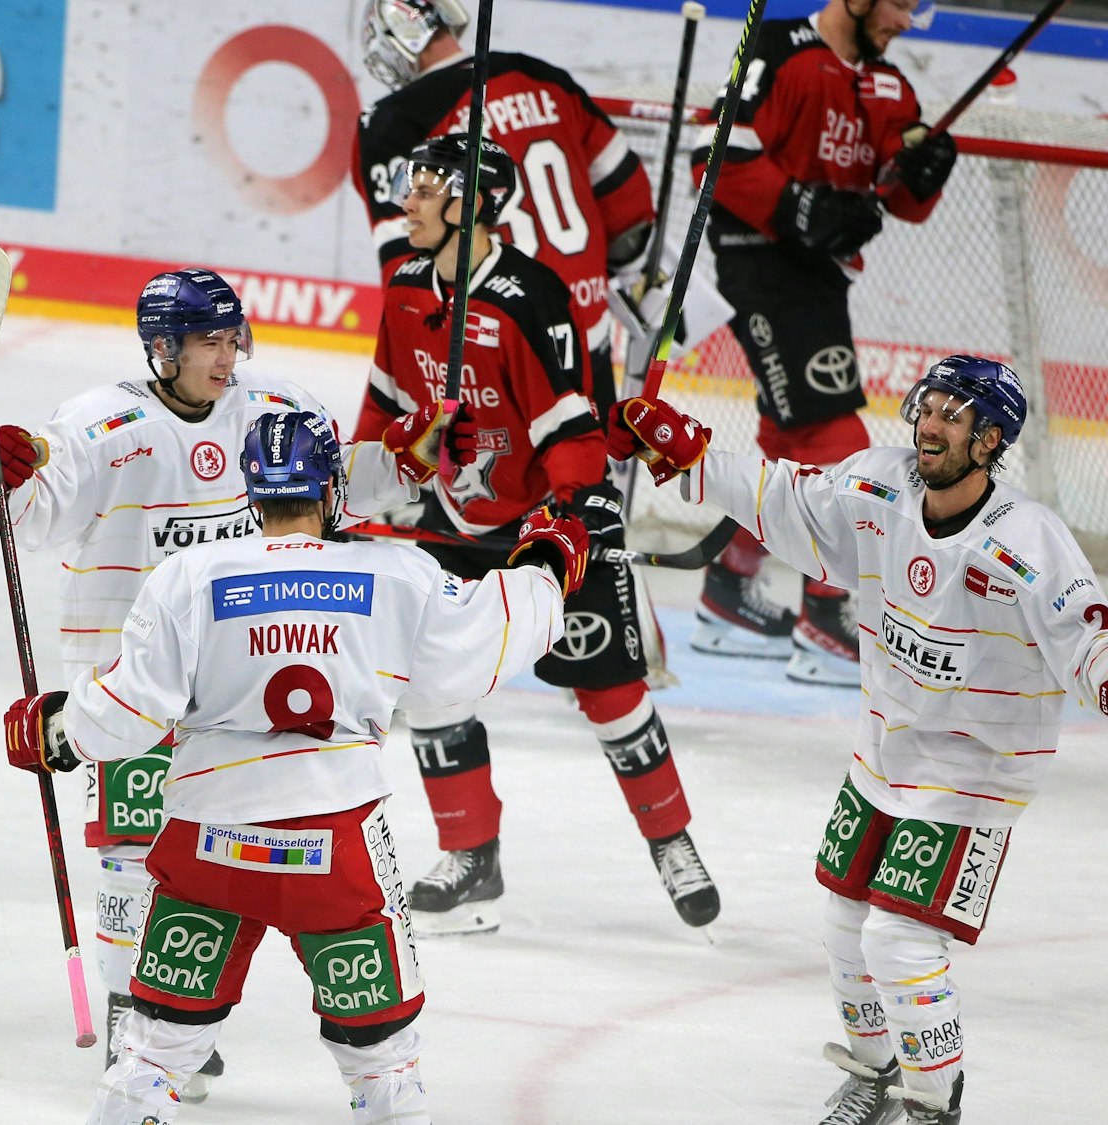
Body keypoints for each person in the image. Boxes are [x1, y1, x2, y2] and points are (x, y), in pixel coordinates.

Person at [1, 410, 590, 1124]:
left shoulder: (190, 575)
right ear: (332, 487)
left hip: (208, 849)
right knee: (384, 1068)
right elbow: (480, 646)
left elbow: (129, 709)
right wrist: (547, 563)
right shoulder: (393, 570)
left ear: (254, 493)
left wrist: (55, 728)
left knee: (152, 1057)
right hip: (333, 852)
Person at [0, 269, 448, 1088]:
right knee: (129, 854)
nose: (227, 357)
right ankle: (135, 1013)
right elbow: (28, 512)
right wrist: (2, 480)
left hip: (232, 687)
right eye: (207, 343)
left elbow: (336, 480)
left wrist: (410, 460)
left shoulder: (272, 405)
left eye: (233, 339)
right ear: (162, 346)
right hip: (134, 679)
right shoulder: (101, 424)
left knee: (205, 859)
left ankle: (168, 1012)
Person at [609, 356, 1108, 1125]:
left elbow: (1089, 641)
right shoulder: (878, 485)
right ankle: (874, 1074)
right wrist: (692, 457)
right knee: (844, 926)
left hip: (976, 772)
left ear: (990, 441)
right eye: (929, 405)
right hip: (884, 750)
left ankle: (934, 1106)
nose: (930, 423)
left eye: (953, 414)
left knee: (900, 942)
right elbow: (781, 497)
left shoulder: (1027, 543)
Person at [353, 133, 719, 935]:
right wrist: (359, 488)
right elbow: (383, 407)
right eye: (410, 187)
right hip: (454, 521)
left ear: (469, 203)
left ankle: (672, 841)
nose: (406, 203)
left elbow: (569, 424)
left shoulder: (529, 296)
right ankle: (470, 854)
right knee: (434, 682)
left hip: (549, 522)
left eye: (423, 189)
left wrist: (573, 502)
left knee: (610, 689)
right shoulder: (406, 287)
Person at [691, 0, 955, 686]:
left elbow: (901, 195)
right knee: (833, 439)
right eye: (900, 6)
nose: (905, 23)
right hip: (761, 259)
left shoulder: (890, 86)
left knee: (789, 440)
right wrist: (798, 204)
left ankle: (727, 594)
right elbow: (716, 156)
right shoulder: (781, 51)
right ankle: (827, 615)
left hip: (817, 277)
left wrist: (925, 170)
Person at [354, 0, 657, 426]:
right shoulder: (543, 77)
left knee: (478, 488)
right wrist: (634, 274)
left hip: (493, 351)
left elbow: (408, 263)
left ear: (402, 38)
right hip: (587, 331)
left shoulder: (393, 123)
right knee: (586, 479)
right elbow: (626, 194)